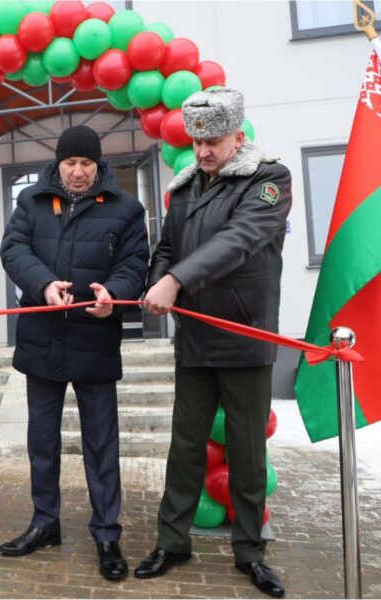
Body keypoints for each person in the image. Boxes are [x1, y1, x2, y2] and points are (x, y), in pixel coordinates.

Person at [139, 88, 291, 599]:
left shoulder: (268, 179)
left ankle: (250, 551)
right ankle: (172, 542)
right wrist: (157, 282)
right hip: (196, 338)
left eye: (214, 142)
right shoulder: (184, 188)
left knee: (247, 453)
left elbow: (239, 240)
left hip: (244, 337)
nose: (203, 151)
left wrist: (174, 281)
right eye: (197, 142)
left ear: (237, 137)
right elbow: (166, 247)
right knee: (185, 446)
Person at [0, 125, 149, 582]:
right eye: (70, 163)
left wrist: (113, 294)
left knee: (101, 444)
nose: (78, 172)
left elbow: (135, 263)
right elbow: (13, 249)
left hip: (94, 339)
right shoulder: (32, 200)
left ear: (98, 165)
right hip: (42, 338)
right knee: (42, 441)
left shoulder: (126, 207)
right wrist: (43, 283)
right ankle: (45, 523)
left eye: (86, 163)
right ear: (58, 163)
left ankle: (106, 533)